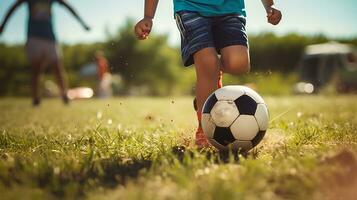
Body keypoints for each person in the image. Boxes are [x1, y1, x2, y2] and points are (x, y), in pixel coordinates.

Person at [134, 0, 282, 148]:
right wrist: (148, 16)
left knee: (239, 64)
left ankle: (211, 80)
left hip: (230, 8)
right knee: (208, 64)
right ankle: (204, 128)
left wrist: (269, 5)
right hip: (190, 8)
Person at [0, 0, 90, 106]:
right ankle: (35, 99)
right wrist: (3, 26)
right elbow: (13, 8)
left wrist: (82, 22)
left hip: (50, 37)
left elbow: (68, 6)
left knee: (57, 67)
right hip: (34, 37)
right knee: (36, 69)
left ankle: (65, 95)